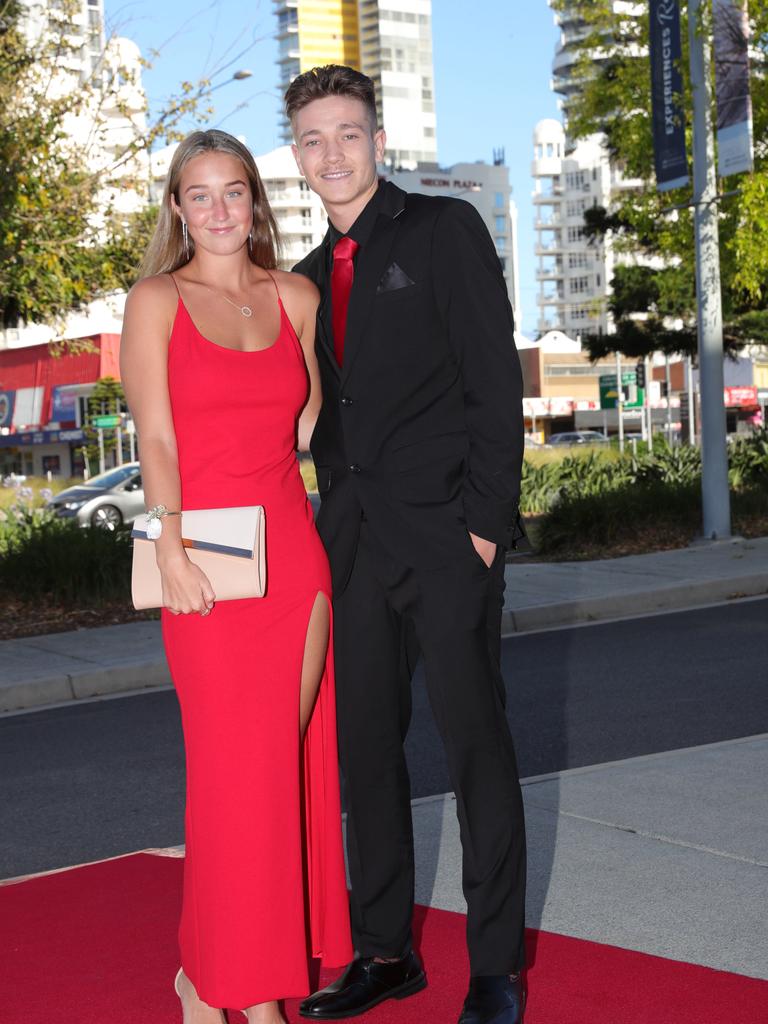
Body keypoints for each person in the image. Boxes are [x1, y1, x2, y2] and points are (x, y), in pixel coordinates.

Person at [286, 67, 527, 1024]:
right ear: (296, 156)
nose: (332, 153)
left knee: (478, 750)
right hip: (346, 549)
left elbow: (494, 383)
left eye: (348, 133)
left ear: (375, 139)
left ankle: (495, 967)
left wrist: (482, 524)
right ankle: (386, 952)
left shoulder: (441, 231)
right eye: (313, 138)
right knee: (366, 756)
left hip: (443, 537)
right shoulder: (302, 281)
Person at [119, 129, 352, 1024]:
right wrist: (168, 546)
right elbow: (158, 440)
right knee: (232, 778)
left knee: (278, 772)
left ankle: (224, 977)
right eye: (199, 194)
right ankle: (229, 987)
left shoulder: (295, 298)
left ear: (255, 201)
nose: (219, 210)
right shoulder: (155, 301)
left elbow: (313, 429)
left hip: (295, 556)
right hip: (204, 563)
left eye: (234, 191)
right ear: (177, 208)